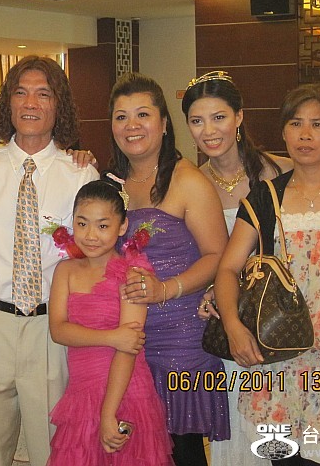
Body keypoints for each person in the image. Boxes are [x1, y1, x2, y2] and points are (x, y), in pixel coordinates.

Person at [180, 71, 320, 466]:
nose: (305, 135)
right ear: (283, 132)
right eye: (296, 124)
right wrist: (234, 326)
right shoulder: (265, 197)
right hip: (276, 355)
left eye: (318, 125)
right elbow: (228, 269)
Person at [0, 55, 99, 466]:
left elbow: (91, 263)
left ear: (58, 105)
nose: (31, 103)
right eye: (21, 93)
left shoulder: (80, 175)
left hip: (52, 327)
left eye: (43, 94)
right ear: (8, 103)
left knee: (54, 449)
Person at [109, 72, 229, 466]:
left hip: (181, 338)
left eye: (143, 114)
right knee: (137, 448)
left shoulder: (188, 180)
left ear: (163, 124)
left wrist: (166, 288)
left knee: (182, 450)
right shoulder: (109, 183)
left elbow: (217, 255)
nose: (132, 125)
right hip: (128, 334)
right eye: (121, 117)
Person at [48, 180, 174, 466]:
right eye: (82, 224)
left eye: (102, 226)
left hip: (125, 392)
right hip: (81, 394)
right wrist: (110, 337)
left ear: (122, 226)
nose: (91, 235)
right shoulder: (65, 271)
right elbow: (58, 330)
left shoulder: (133, 274)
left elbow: (128, 348)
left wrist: (108, 413)